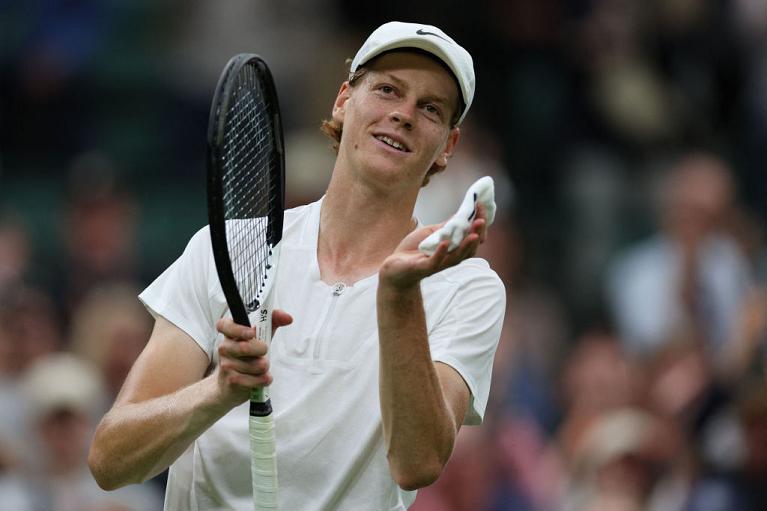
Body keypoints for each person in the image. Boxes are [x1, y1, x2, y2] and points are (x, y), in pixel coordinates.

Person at [88, 21, 506, 510]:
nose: (404, 115)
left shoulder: (468, 288)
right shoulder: (224, 248)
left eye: (430, 108)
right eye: (388, 90)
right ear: (343, 100)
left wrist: (398, 294)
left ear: (449, 146)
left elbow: (417, 464)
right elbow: (110, 461)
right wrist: (216, 392)